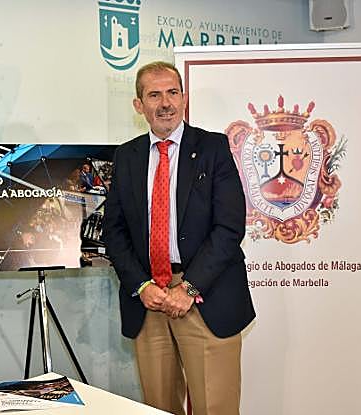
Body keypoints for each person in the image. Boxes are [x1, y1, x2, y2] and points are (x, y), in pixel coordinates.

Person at [103, 61, 255, 415]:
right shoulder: (126, 156)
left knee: (215, 407)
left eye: (173, 92)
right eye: (154, 95)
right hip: (149, 301)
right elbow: (114, 231)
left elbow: (229, 227)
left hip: (205, 295)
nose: (165, 103)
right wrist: (141, 286)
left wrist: (188, 288)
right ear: (138, 105)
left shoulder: (213, 147)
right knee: (158, 407)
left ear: (184, 99)